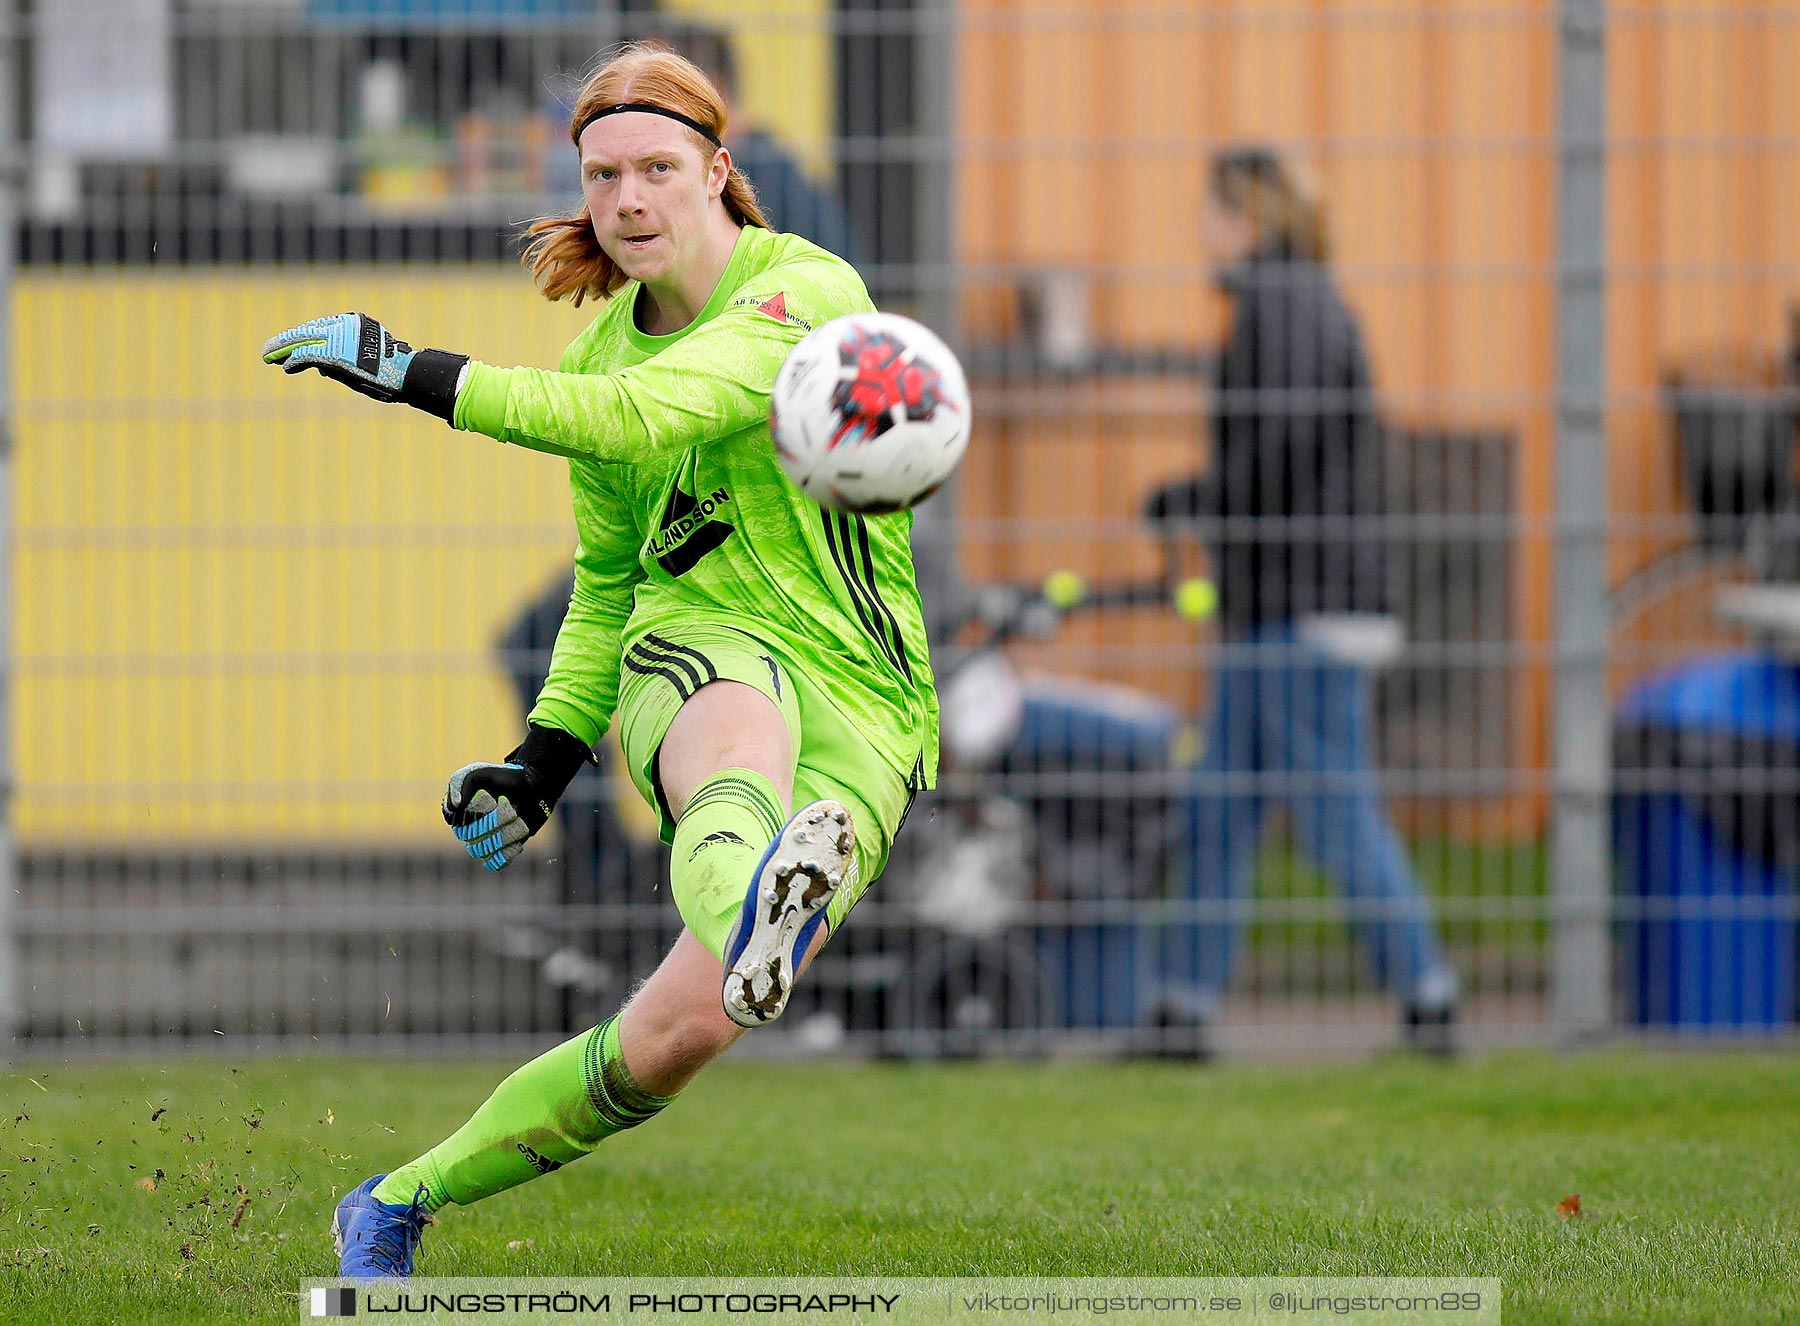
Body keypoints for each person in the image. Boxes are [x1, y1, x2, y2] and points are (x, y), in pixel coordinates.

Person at [262, 45, 937, 1278]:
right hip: (697, 654)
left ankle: (391, 1201)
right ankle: (753, 902)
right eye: (604, 173)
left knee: (675, 1036)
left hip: (871, 699)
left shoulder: (808, 290)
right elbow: (609, 585)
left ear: (720, 172)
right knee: (736, 731)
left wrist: (416, 372)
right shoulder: (596, 356)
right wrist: (544, 760)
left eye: (659, 169)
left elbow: (653, 414)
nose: (630, 200)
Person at [1143, 146, 1459, 1058]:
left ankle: (1430, 997)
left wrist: (1199, 498)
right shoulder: (1301, 300)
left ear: (1246, 216)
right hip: (1288, 607)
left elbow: (1280, 446)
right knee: (1221, 808)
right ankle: (1180, 1014)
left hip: (1302, 612)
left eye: (1209, 213)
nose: (1200, 232)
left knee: (1333, 810)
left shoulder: (1280, 304)